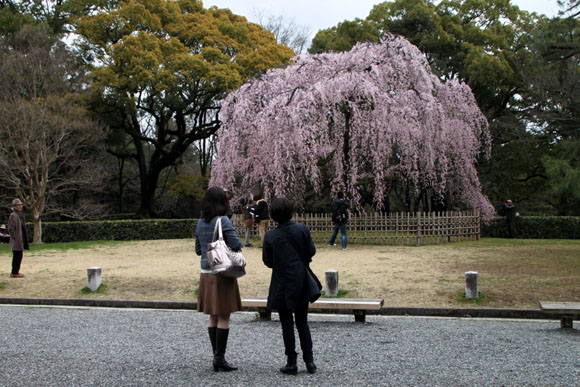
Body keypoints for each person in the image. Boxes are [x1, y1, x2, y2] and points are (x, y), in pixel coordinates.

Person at [263, 197, 318, 375]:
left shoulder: (271, 236)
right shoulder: (302, 229)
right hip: (301, 280)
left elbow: (268, 261)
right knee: (302, 322)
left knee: (286, 323)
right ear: (291, 211)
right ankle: (309, 361)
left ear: (272, 215)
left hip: (282, 283)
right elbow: (311, 251)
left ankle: (291, 361)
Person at [195, 186, 243, 372]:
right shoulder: (222, 221)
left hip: (206, 272)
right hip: (222, 273)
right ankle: (219, 359)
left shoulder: (200, 222)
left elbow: (199, 250)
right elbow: (237, 245)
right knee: (224, 316)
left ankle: (216, 355)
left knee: (213, 316)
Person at [7, 198, 29, 278]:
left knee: (19, 256)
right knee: (17, 256)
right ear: (14, 206)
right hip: (16, 240)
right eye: (18, 205)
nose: (20, 206)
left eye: (20, 205)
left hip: (20, 239)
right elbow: (10, 228)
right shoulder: (13, 215)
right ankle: (14, 272)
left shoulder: (20, 215)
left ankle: (16, 271)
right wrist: (15, 237)